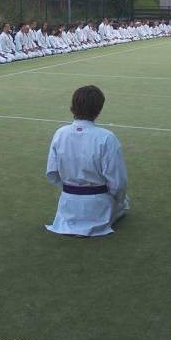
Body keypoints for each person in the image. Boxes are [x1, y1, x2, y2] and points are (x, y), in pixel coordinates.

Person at [45, 85, 130, 237]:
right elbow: (118, 183)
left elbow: (52, 174)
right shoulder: (107, 138)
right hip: (99, 207)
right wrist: (120, 200)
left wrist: (71, 189)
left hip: (68, 206)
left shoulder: (60, 134)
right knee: (124, 202)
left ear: (73, 106)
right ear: (99, 108)